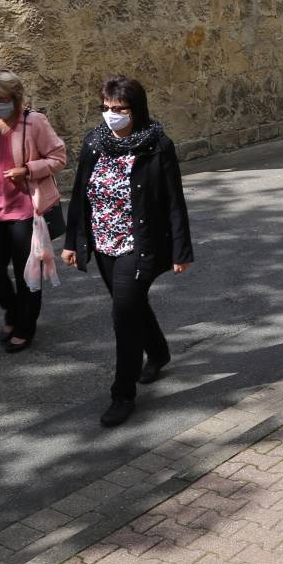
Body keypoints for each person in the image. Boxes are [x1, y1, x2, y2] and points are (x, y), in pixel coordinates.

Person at [61, 75, 193, 428]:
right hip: (102, 244)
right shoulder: (94, 143)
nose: (111, 115)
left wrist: (181, 250)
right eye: (106, 108)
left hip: (139, 245)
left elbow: (174, 202)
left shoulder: (157, 145)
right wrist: (72, 241)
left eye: (119, 109)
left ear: (136, 109)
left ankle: (123, 394)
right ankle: (160, 352)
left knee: (123, 317)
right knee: (131, 306)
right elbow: (79, 196)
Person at [0, 70, 68, 354]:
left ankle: (26, 325)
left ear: (16, 98)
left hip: (26, 211)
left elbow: (59, 156)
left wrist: (29, 170)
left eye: (1, 99)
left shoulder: (34, 122)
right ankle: (12, 310)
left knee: (28, 274)